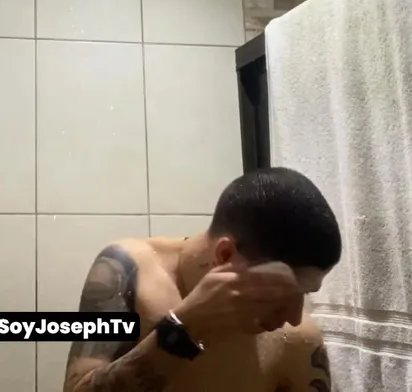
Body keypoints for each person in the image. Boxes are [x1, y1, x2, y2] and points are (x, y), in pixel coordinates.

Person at [62, 167, 341, 392]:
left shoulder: (298, 340)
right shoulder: (128, 272)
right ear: (225, 254)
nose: (294, 317)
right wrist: (186, 327)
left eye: (305, 294)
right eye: (280, 292)